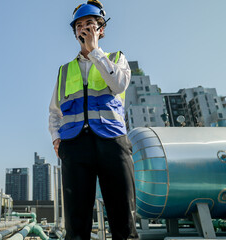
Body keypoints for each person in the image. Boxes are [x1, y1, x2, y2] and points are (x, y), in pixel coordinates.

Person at [48, 1, 139, 239]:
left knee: (123, 221)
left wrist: (95, 51)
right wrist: (57, 140)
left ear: (101, 28)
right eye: (79, 25)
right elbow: (54, 111)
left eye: (89, 23)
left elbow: (118, 84)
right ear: (75, 32)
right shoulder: (65, 70)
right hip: (75, 146)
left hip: (112, 142)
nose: (84, 28)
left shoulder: (117, 58)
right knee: (76, 227)